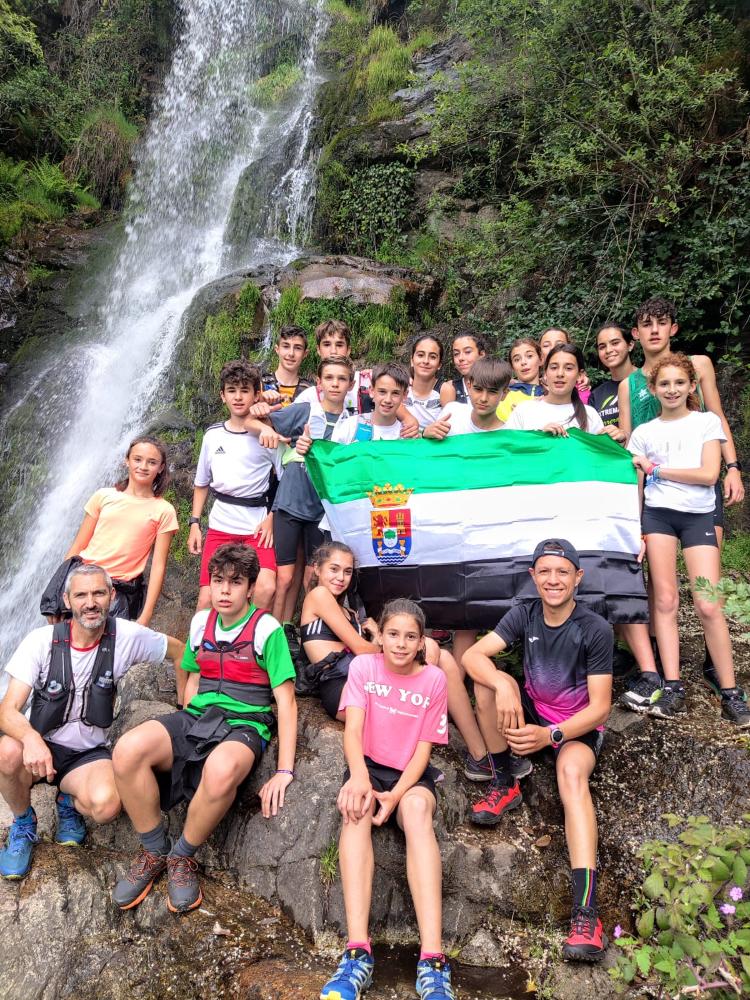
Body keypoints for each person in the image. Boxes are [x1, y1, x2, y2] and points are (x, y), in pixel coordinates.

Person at [111, 544, 297, 913]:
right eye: (218, 582)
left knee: (221, 769)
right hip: (198, 715)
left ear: (250, 587)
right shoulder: (201, 622)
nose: (225, 591)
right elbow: (194, 674)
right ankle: (154, 851)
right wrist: (184, 713)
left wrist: (284, 771)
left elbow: (286, 703)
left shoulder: (266, 629)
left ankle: (182, 857)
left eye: (235, 582)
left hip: (246, 722)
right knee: (127, 750)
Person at [463, 539, 613, 962]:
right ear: (533, 576)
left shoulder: (594, 628)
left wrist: (552, 736)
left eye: (562, 572)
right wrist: (505, 682)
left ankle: (586, 914)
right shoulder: (523, 614)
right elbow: (474, 655)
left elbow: (601, 706)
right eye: (544, 571)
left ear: (577, 578)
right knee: (485, 683)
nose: (553, 579)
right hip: (532, 712)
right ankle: (505, 780)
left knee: (570, 775)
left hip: (576, 727)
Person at [0, 563, 184, 879]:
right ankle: (23, 822)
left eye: (99, 593)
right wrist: (30, 739)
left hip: (85, 756)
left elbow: (181, 652)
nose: (90, 602)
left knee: (107, 805)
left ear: (112, 597)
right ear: (67, 600)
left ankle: (67, 799)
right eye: (81, 594)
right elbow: (7, 711)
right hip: (38, 747)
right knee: (6, 752)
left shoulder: (128, 637)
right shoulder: (41, 641)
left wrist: (185, 708)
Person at [319, 599, 456, 1000]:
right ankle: (357, 951)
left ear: (421, 643)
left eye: (410, 637)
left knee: (416, 812)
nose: (400, 644)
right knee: (355, 809)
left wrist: (395, 796)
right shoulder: (363, 668)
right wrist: (359, 777)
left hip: (409, 776)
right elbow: (354, 729)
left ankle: (433, 959)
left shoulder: (433, 680)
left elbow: (424, 750)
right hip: (369, 765)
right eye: (393, 634)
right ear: (379, 635)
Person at [617, 296, 745, 690]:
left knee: (709, 593)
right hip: (656, 499)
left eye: (662, 322)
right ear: (636, 334)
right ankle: (665, 675)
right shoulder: (630, 384)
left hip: (697, 490)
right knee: (662, 593)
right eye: (646, 324)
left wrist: (733, 467)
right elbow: (627, 441)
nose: (654, 330)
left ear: (673, 327)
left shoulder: (698, 367)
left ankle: (719, 671)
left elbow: (717, 418)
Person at [246, 355, 356, 625]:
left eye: (342, 379)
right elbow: (251, 422)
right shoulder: (305, 410)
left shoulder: (354, 423)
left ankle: (309, 634)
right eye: (329, 378)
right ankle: (274, 635)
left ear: (351, 384)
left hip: (323, 509)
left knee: (313, 577)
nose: (335, 384)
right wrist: (269, 432)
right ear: (319, 382)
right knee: (283, 577)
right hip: (291, 500)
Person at [40, 435, 178, 625]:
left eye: (151, 462)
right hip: (83, 580)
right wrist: (57, 596)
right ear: (126, 461)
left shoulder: (164, 510)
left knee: (110, 650)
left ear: (161, 467)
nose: (143, 466)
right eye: (137, 459)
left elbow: (158, 566)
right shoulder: (103, 496)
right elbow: (77, 547)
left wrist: (145, 615)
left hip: (120, 591)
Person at [188, 360, 281, 616]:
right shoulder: (212, 436)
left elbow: (286, 481)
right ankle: (195, 653)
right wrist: (195, 523)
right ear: (222, 395)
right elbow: (201, 483)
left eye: (245, 390)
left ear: (256, 394)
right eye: (232, 390)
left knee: (265, 587)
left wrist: (272, 519)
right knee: (207, 599)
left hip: (257, 525)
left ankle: (247, 644)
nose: (238, 397)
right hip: (221, 524)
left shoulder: (268, 434)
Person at [503, 344, 604, 435]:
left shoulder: (590, 415)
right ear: (545, 373)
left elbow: (600, 453)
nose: (560, 374)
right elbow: (509, 449)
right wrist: (539, 437)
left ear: (579, 375)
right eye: (554, 367)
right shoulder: (523, 410)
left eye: (568, 368)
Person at [589, 323, 635, 442]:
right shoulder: (596, 394)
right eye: (602, 346)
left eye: (615, 343)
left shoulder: (648, 380)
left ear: (630, 345)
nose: (608, 350)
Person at [261, 324, 311, 406]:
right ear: (277, 349)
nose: (291, 353)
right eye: (286, 346)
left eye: (297, 348)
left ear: (305, 353)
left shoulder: (310, 391)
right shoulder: (260, 384)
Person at [496, 337, 545, 422]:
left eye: (529, 356)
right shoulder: (504, 396)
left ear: (541, 359)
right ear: (512, 367)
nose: (523, 362)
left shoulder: (552, 394)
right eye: (517, 359)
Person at [404, 333, 444, 431]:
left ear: (439, 365)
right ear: (412, 360)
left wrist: (423, 434)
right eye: (420, 355)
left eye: (433, 357)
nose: (426, 361)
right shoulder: (400, 387)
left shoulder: (445, 390)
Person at [538, 328, 591, 402]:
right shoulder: (529, 384)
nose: (553, 348)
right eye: (546, 345)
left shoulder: (579, 385)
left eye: (560, 345)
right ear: (539, 354)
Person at [438, 331, 487, 406]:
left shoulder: (499, 384)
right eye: (456, 354)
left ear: (481, 354)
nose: (460, 358)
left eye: (467, 352)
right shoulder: (450, 388)